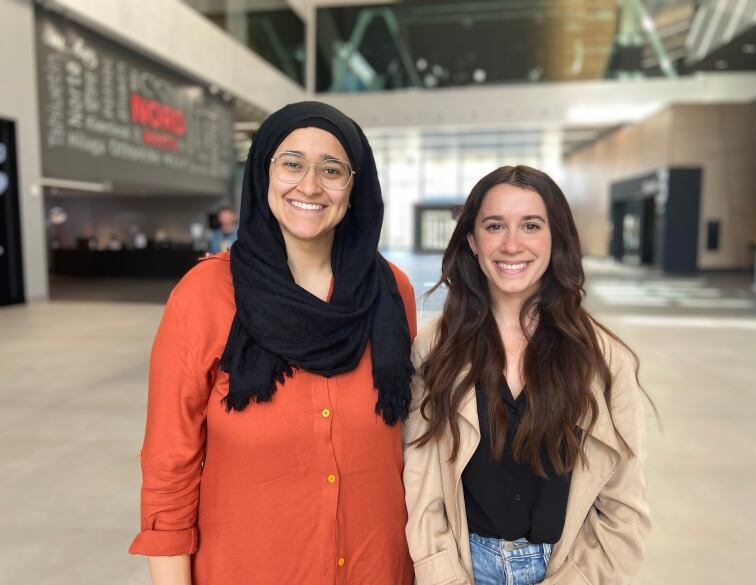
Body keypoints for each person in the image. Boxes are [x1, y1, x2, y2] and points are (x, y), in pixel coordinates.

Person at [129, 101, 417, 585]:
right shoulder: (204, 296)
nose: (309, 185)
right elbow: (168, 464)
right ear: (263, 173)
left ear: (355, 185)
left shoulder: (392, 293)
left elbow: (411, 446)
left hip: (375, 568)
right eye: (292, 163)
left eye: (332, 169)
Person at [403, 165, 650, 585]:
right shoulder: (434, 349)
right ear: (472, 242)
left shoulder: (604, 361)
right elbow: (422, 487)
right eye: (495, 225)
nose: (512, 244)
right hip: (465, 563)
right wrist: (443, 575)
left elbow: (624, 506)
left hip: (569, 565)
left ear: (555, 240)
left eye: (531, 226)